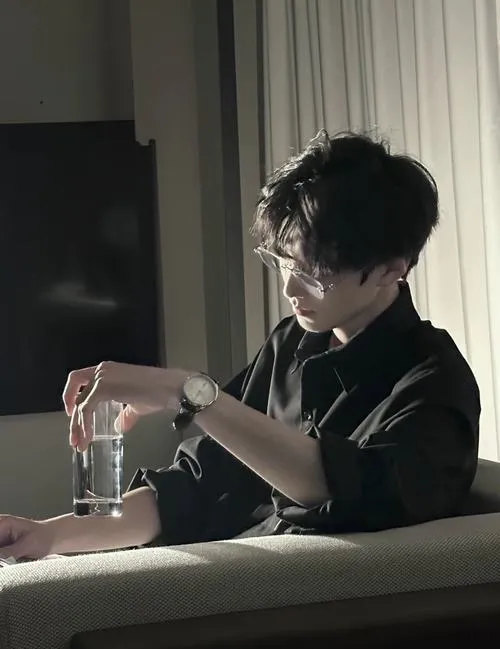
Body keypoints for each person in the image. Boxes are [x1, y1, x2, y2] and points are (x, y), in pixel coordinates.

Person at [0, 130, 480, 560]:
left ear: (392, 269)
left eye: (316, 274)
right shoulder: (291, 343)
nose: (290, 289)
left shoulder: (434, 383)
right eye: (286, 263)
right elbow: (200, 486)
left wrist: (186, 391)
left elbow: (344, 493)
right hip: (236, 581)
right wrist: (48, 535)